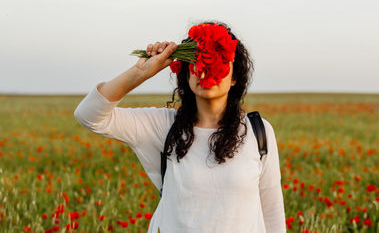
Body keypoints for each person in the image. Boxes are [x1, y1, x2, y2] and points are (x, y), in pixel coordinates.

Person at [74, 21, 286, 233]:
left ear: (235, 78)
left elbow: (272, 213)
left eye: (221, 61)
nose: (206, 70)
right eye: (198, 61)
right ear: (186, 74)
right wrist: (141, 72)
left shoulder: (258, 132)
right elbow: (89, 115)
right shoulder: (164, 126)